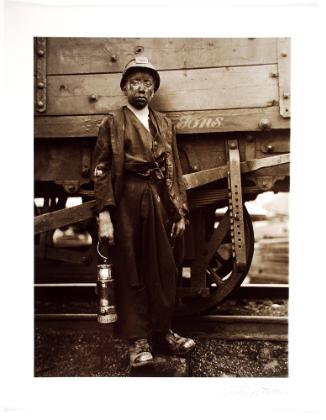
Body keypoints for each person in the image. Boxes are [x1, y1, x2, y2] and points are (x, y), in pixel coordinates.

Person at [92, 56, 195, 368]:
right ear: (125, 88)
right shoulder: (113, 123)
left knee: (163, 268)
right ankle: (137, 342)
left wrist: (179, 211)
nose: (141, 88)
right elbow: (101, 170)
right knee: (131, 269)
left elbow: (173, 168)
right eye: (135, 82)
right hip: (126, 201)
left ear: (154, 90)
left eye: (147, 83)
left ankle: (164, 332)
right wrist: (105, 215)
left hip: (158, 198)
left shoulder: (163, 124)